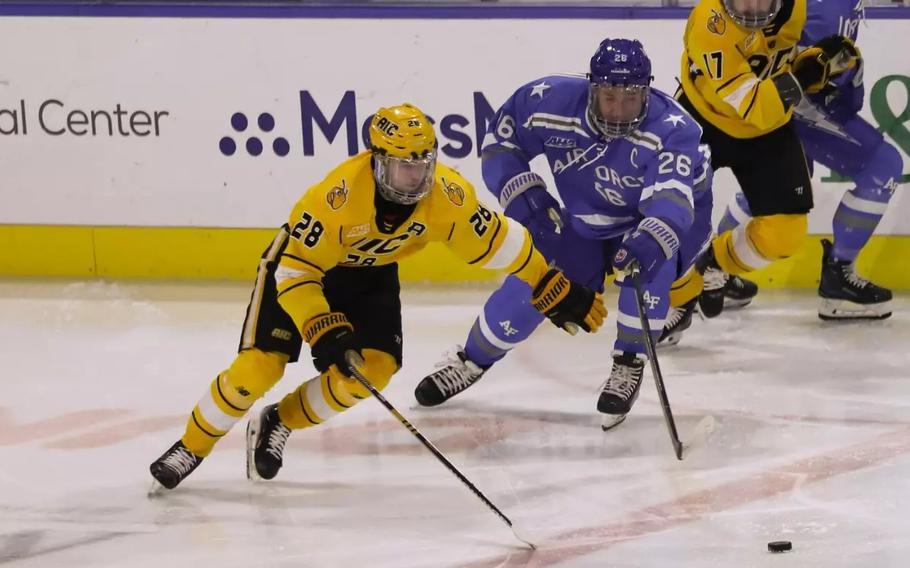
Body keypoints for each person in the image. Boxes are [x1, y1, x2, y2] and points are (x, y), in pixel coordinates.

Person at [148, 103, 606, 490]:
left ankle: (279, 422)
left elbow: (501, 242)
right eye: (404, 165)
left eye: (423, 164)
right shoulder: (337, 199)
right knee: (259, 367)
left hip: (370, 275)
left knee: (375, 369)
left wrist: (549, 282)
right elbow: (296, 270)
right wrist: (319, 327)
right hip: (302, 273)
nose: (414, 178)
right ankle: (192, 445)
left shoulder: (446, 196)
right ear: (378, 160)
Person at [412, 38, 714, 430]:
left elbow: (672, 201)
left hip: (674, 219)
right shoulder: (548, 101)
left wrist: (651, 238)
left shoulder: (675, 129)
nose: (619, 111)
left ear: (647, 91)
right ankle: (471, 360)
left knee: (648, 271)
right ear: (593, 88)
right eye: (609, 97)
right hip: (587, 221)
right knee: (539, 282)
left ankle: (629, 361)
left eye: (631, 98)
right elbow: (501, 143)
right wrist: (529, 200)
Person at [715, 0, 902, 320]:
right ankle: (838, 277)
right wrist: (850, 78)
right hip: (793, 107)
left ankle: (715, 273)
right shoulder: (826, 7)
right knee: (882, 164)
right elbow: (815, 78)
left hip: (774, 103)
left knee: (776, 184)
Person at [677, 0, 859, 319]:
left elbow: (779, 64)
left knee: (784, 235)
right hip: (702, 120)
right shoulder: (711, 23)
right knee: (674, 219)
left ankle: (714, 263)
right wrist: (803, 78)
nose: (751, 8)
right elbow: (757, 108)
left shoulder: (797, 7)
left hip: (769, 129)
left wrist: (813, 63)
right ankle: (673, 304)